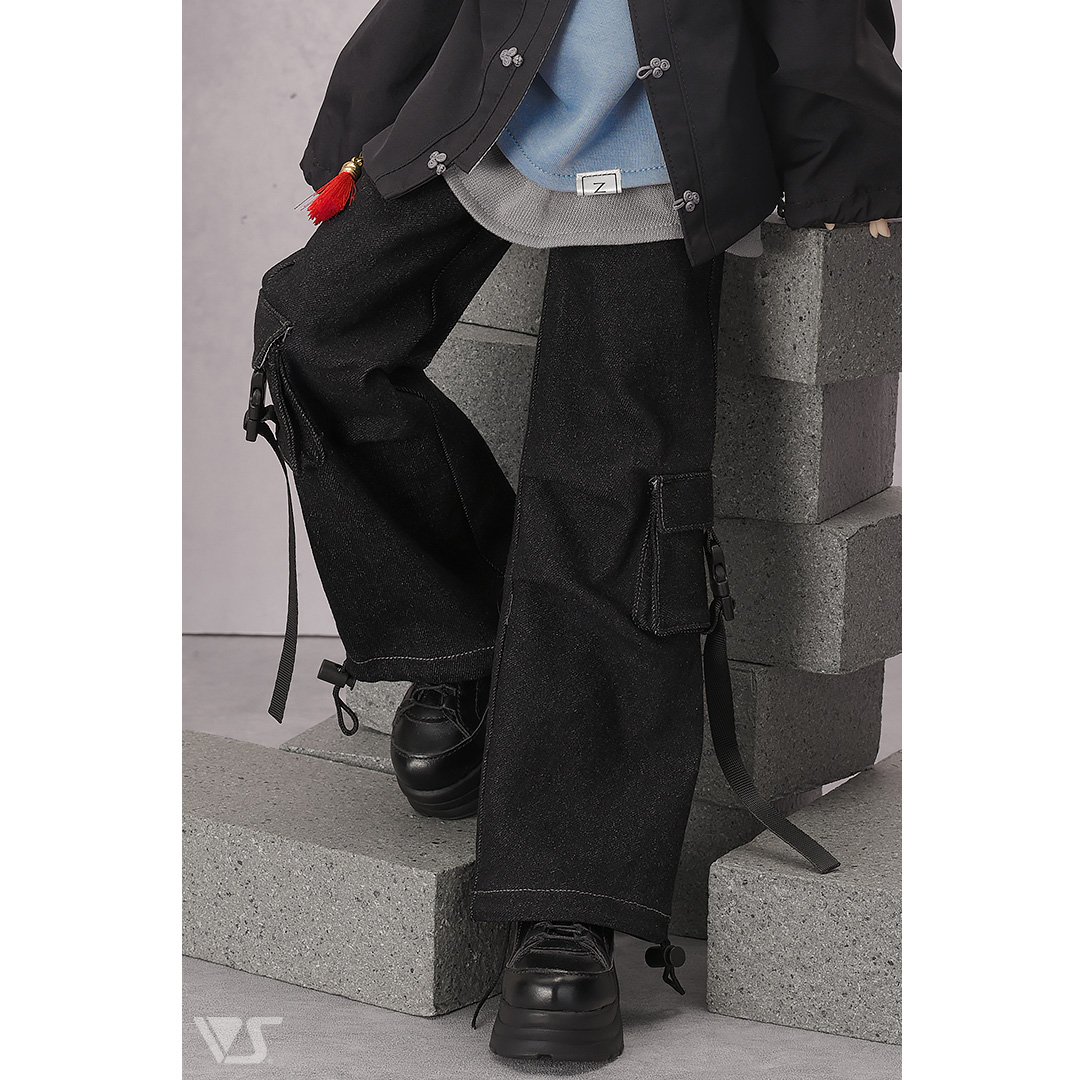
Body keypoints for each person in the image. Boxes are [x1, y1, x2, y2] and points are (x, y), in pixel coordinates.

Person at [244, 0, 900, 1062]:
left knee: (612, 499)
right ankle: (465, 646)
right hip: (487, 123)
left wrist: (851, 173)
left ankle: (566, 905)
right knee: (312, 335)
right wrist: (365, 126)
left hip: (658, 173)